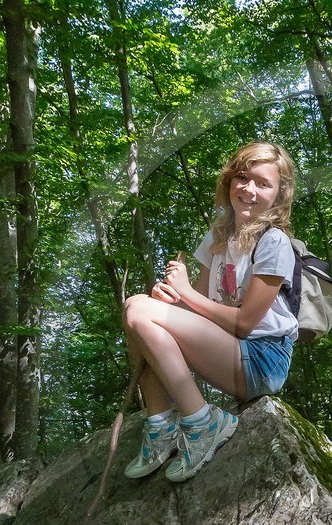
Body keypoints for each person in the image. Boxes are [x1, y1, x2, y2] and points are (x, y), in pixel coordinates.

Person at [121, 141, 298, 482]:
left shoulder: (274, 242)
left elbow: (246, 323)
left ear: (278, 195)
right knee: (137, 308)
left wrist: (184, 293)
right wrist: (171, 299)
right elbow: (195, 306)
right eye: (243, 178)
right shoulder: (216, 238)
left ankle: (204, 424)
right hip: (229, 347)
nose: (248, 189)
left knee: (141, 310)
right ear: (229, 182)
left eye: (263, 184)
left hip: (263, 358)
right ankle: (161, 428)